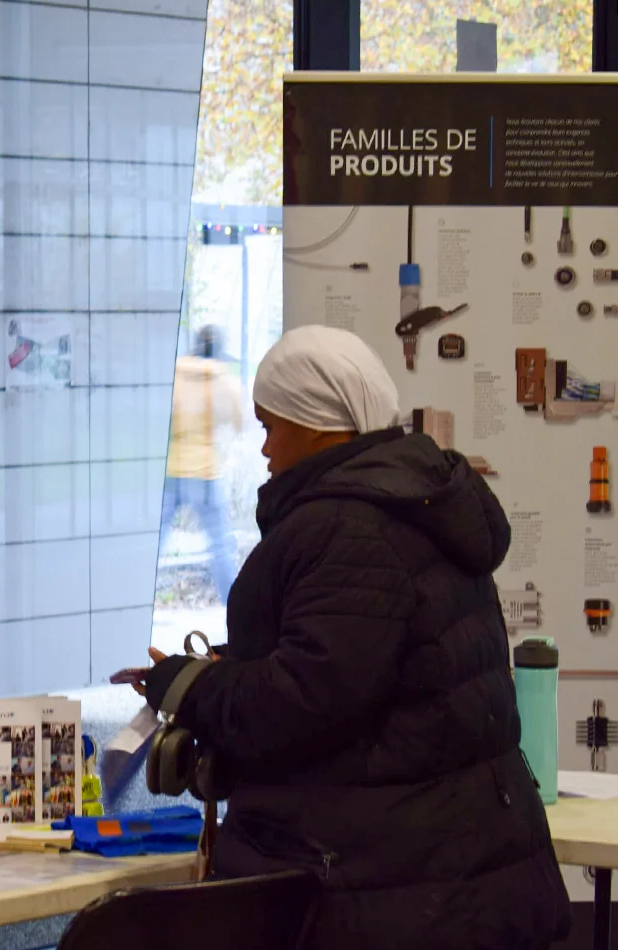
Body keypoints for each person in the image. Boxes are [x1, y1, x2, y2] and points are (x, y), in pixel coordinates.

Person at [132, 325, 570, 949]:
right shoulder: (415, 507)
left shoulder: (345, 526)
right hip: (453, 874)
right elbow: (378, 669)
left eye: (270, 427)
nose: (264, 451)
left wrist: (194, 687)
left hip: (378, 890)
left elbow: (305, 700)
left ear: (317, 426)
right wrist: (241, 663)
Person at [159, 325, 244, 604]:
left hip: (172, 470)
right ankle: (234, 610)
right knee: (219, 547)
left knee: (155, 543)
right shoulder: (224, 379)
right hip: (205, 473)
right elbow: (240, 422)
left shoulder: (175, 374)